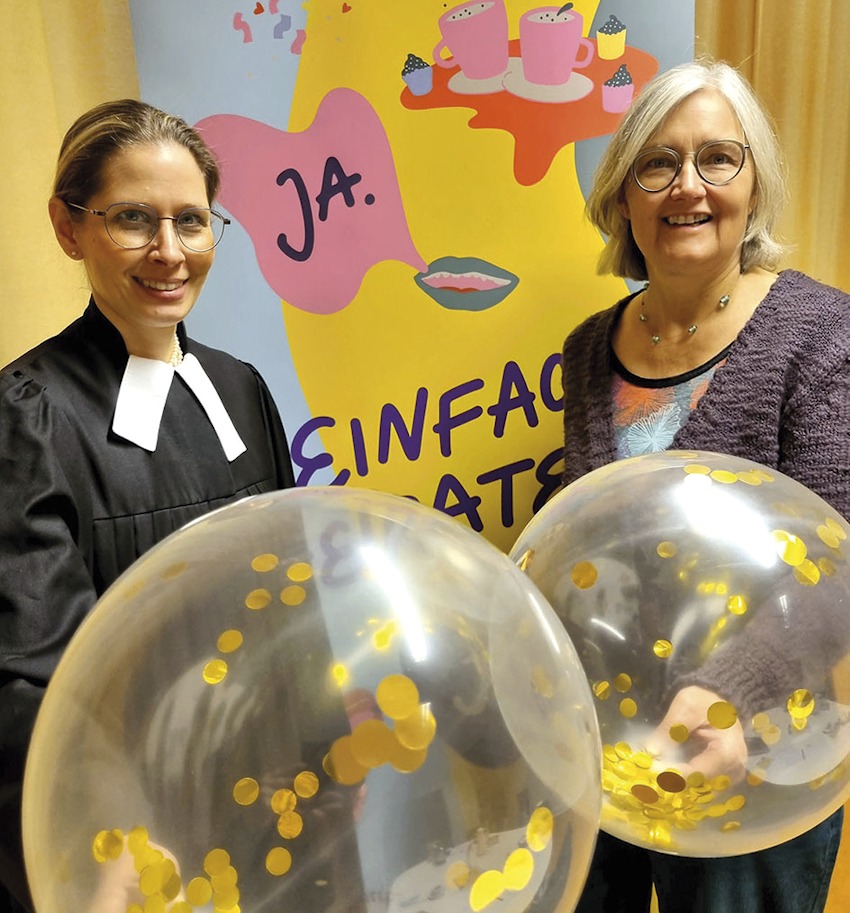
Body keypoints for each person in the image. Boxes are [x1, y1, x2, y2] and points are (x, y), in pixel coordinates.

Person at [561, 60, 850, 913]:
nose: (687, 186)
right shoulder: (585, 351)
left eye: (718, 158)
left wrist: (730, 693)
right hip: (610, 741)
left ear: (754, 185)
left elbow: (834, 566)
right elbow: (591, 545)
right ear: (623, 195)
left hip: (761, 745)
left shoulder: (821, 335)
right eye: (656, 163)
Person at [0, 99, 296, 912]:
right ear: (69, 227)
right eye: (133, 219)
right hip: (136, 838)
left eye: (192, 222)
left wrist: (325, 750)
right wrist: (106, 831)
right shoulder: (30, 413)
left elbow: (293, 604)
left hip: (267, 800)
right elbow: (33, 678)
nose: (169, 253)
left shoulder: (241, 387)